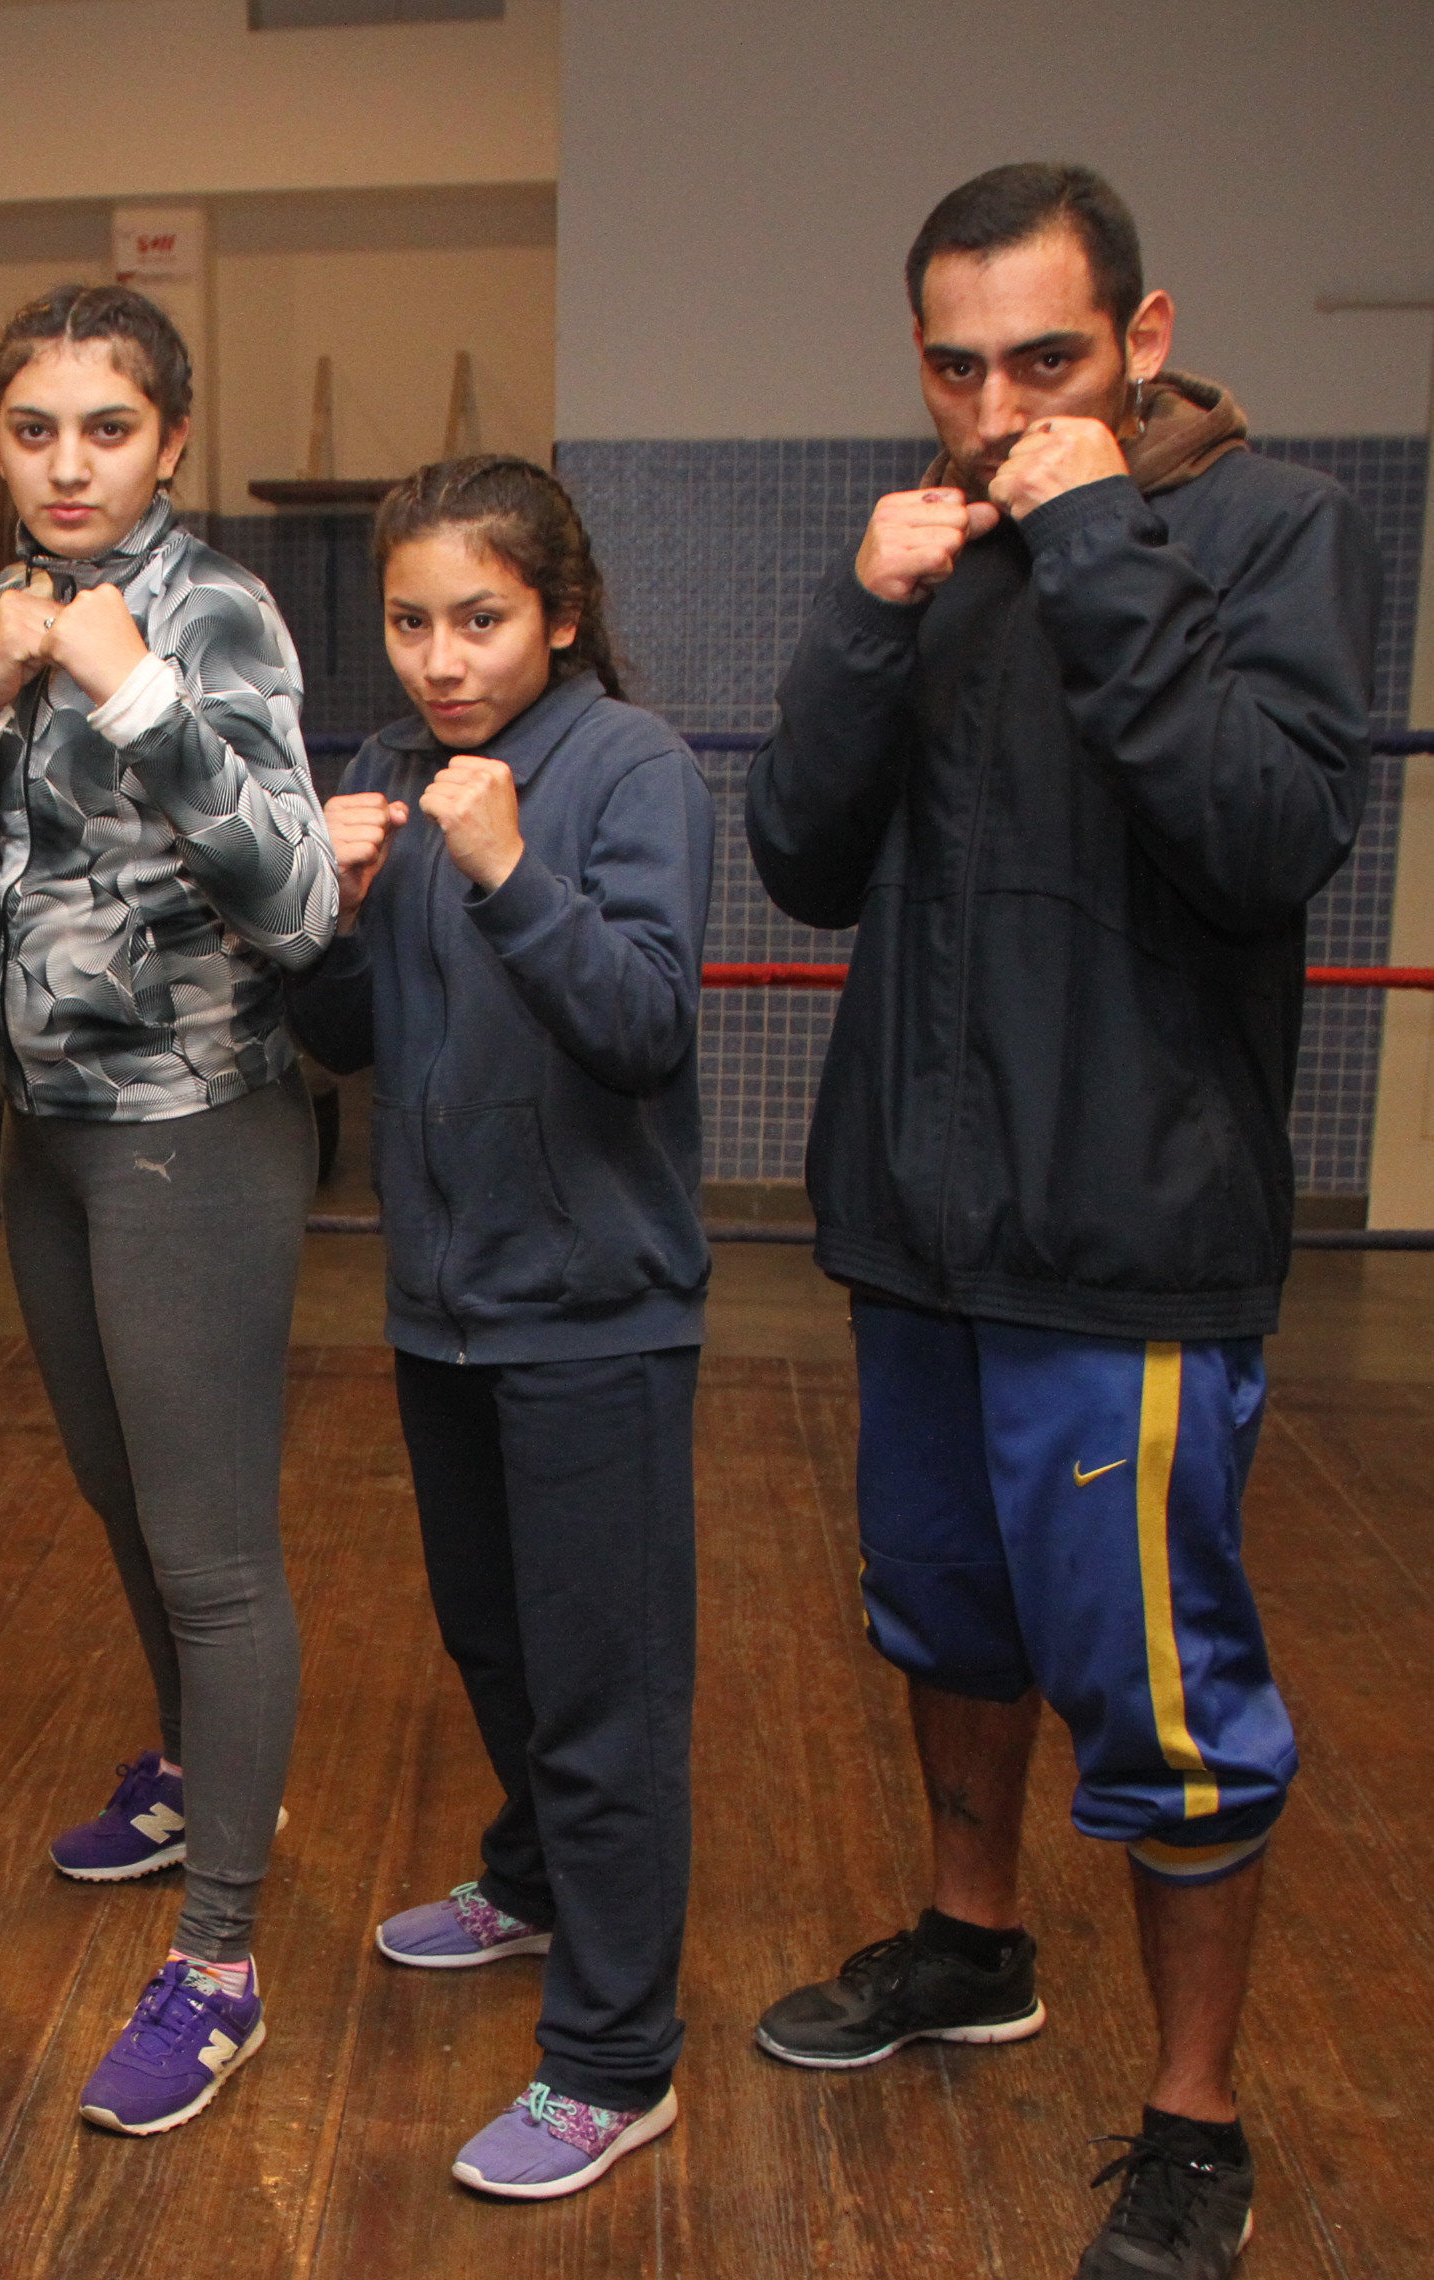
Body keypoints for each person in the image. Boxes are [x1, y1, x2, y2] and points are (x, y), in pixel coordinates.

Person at [744, 164, 1378, 2280]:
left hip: (1128, 1241)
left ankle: (1196, 2122)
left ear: (1143, 334)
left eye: (1046, 358)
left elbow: (1263, 836)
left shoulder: (1277, 529)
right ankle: (971, 1940)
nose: (998, 406)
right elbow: (801, 856)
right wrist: (863, 611)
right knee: (944, 1619)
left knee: (1164, 1699)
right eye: (956, 367)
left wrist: (1100, 533)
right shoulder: (932, 550)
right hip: (921, 1229)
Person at [0, 283, 336, 2136]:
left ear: (170, 439)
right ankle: (189, 1774)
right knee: (116, 1495)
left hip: (196, 1131)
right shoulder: (0, 609)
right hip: (49, 1130)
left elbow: (297, 894)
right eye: (35, 430)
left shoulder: (214, 610)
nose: (68, 464)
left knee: (213, 1553)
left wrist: (132, 688)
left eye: (107, 429)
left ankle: (222, 1965)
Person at [286, 456, 709, 2199]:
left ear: (561, 614)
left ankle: (615, 2062)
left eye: (480, 619)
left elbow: (645, 1024)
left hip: (595, 1312)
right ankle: (531, 1887)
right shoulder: (390, 767)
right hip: (441, 1305)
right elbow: (341, 1035)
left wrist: (512, 869)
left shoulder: (632, 767)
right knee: (494, 1646)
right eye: (410, 622)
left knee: (604, 1697)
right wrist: (323, 913)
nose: (441, 660)